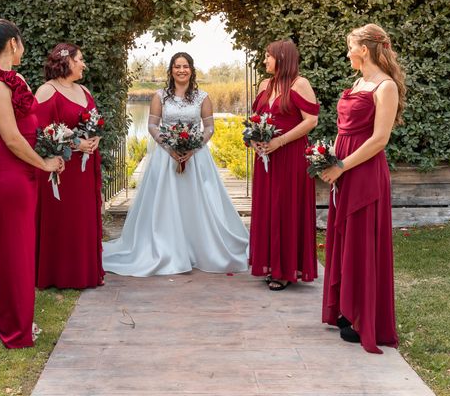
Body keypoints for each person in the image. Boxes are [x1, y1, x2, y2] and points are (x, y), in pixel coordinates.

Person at [102, 52, 249, 276]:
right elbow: (152, 125)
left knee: (198, 202)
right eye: (177, 66)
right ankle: (166, 247)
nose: (181, 70)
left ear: (192, 69)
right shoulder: (159, 96)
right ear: (171, 70)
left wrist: (194, 146)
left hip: (196, 157)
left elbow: (209, 128)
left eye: (186, 66)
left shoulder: (203, 97)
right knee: (165, 202)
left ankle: (200, 248)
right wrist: (168, 146)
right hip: (165, 156)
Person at [0, 16, 64, 348]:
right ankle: (15, 329)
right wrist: (45, 164)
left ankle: (7, 319)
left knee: (16, 249)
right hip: (7, 173)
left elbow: (29, 125)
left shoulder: (15, 78)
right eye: (21, 41)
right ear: (12, 43)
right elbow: (10, 138)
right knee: (16, 252)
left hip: (22, 169)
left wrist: (55, 140)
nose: (24, 47)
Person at [320, 23, 406, 354]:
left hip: (364, 170)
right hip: (343, 169)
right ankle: (346, 308)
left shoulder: (385, 87)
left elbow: (379, 140)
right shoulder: (359, 82)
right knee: (344, 237)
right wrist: (330, 158)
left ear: (364, 50)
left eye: (350, 47)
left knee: (361, 238)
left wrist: (342, 164)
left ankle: (364, 316)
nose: (347, 53)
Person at [249, 39, 320, 291]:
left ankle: (286, 270)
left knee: (286, 209)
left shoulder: (300, 84)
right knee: (268, 208)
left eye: (268, 56)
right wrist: (255, 139)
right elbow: (256, 118)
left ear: (282, 57)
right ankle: (269, 264)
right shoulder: (264, 84)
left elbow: (311, 121)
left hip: (291, 158)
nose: (265, 61)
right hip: (266, 158)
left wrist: (280, 141)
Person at [35, 43, 105, 289]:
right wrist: (76, 145)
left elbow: (94, 123)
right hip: (62, 169)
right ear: (66, 62)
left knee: (82, 220)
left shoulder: (84, 90)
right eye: (80, 59)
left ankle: (85, 272)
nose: (84, 64)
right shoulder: (46, 91)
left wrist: (95, 138)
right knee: (63, 221)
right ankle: (60, 274)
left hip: (85, 171)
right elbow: (40, 133)